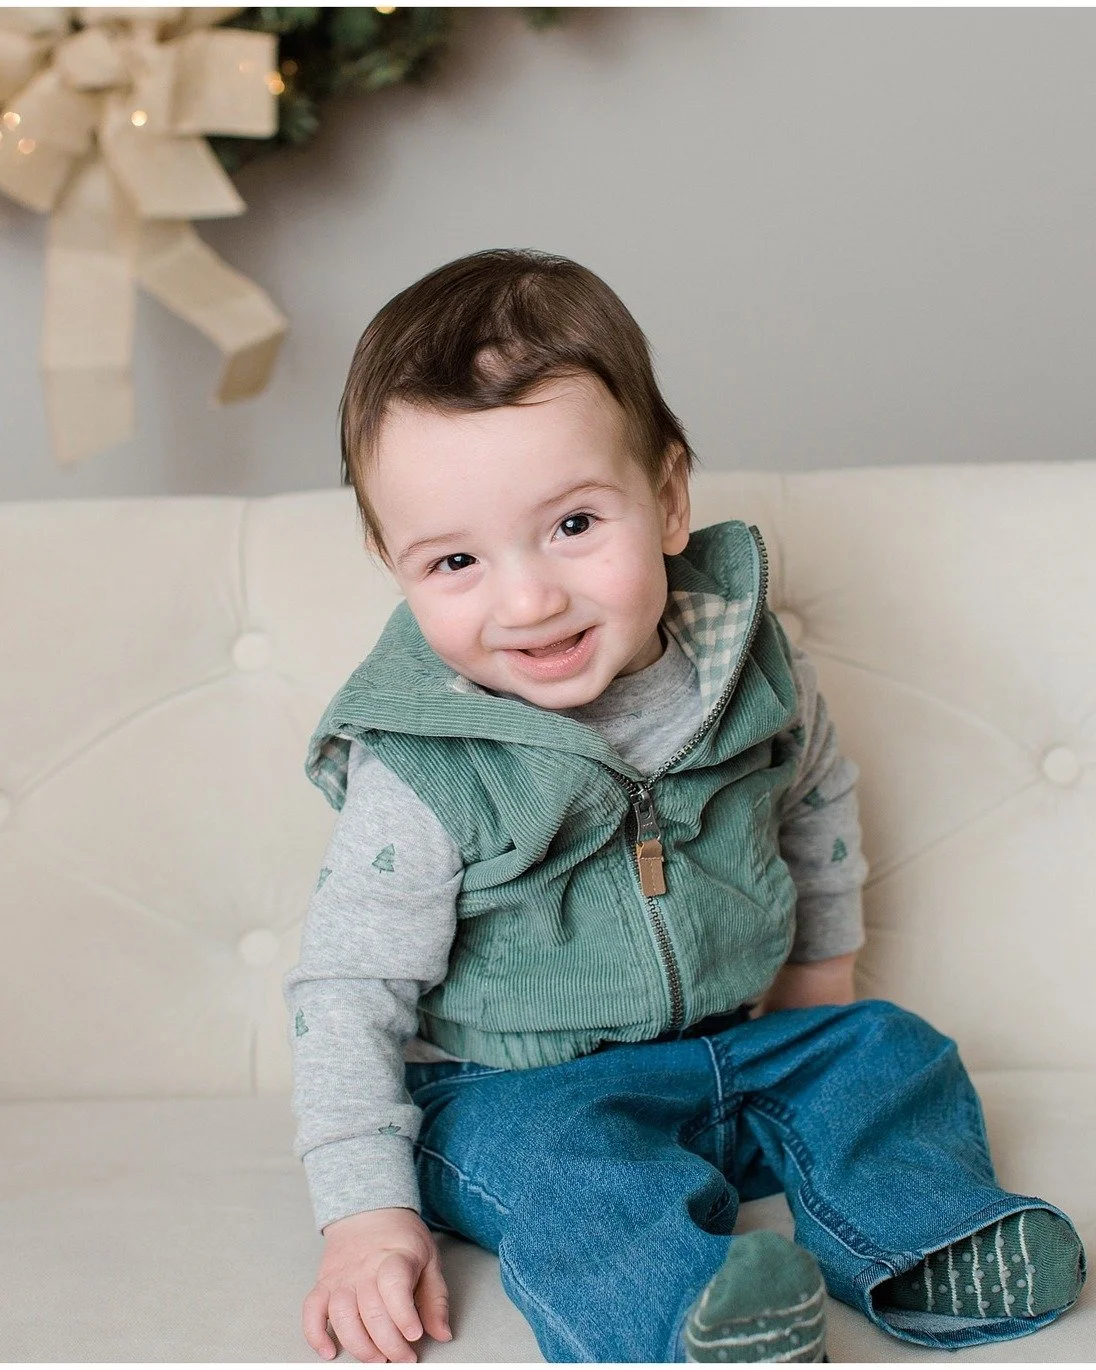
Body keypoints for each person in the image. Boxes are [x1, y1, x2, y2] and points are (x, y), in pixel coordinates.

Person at [284, 248, 1085, 1364]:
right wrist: (365, 1216)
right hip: (519, 1094)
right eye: (455, 559)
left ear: (667, 501)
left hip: (732, 1050)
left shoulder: (744, 669)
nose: (528, 597)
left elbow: (815, 798)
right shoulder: (425, 766)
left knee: (887, 1052)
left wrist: (815, 986)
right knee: (577, 1180)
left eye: (573, 525)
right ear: (393, 563)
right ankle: (693, 1324)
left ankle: (923, 1243)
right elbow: (348, 989)